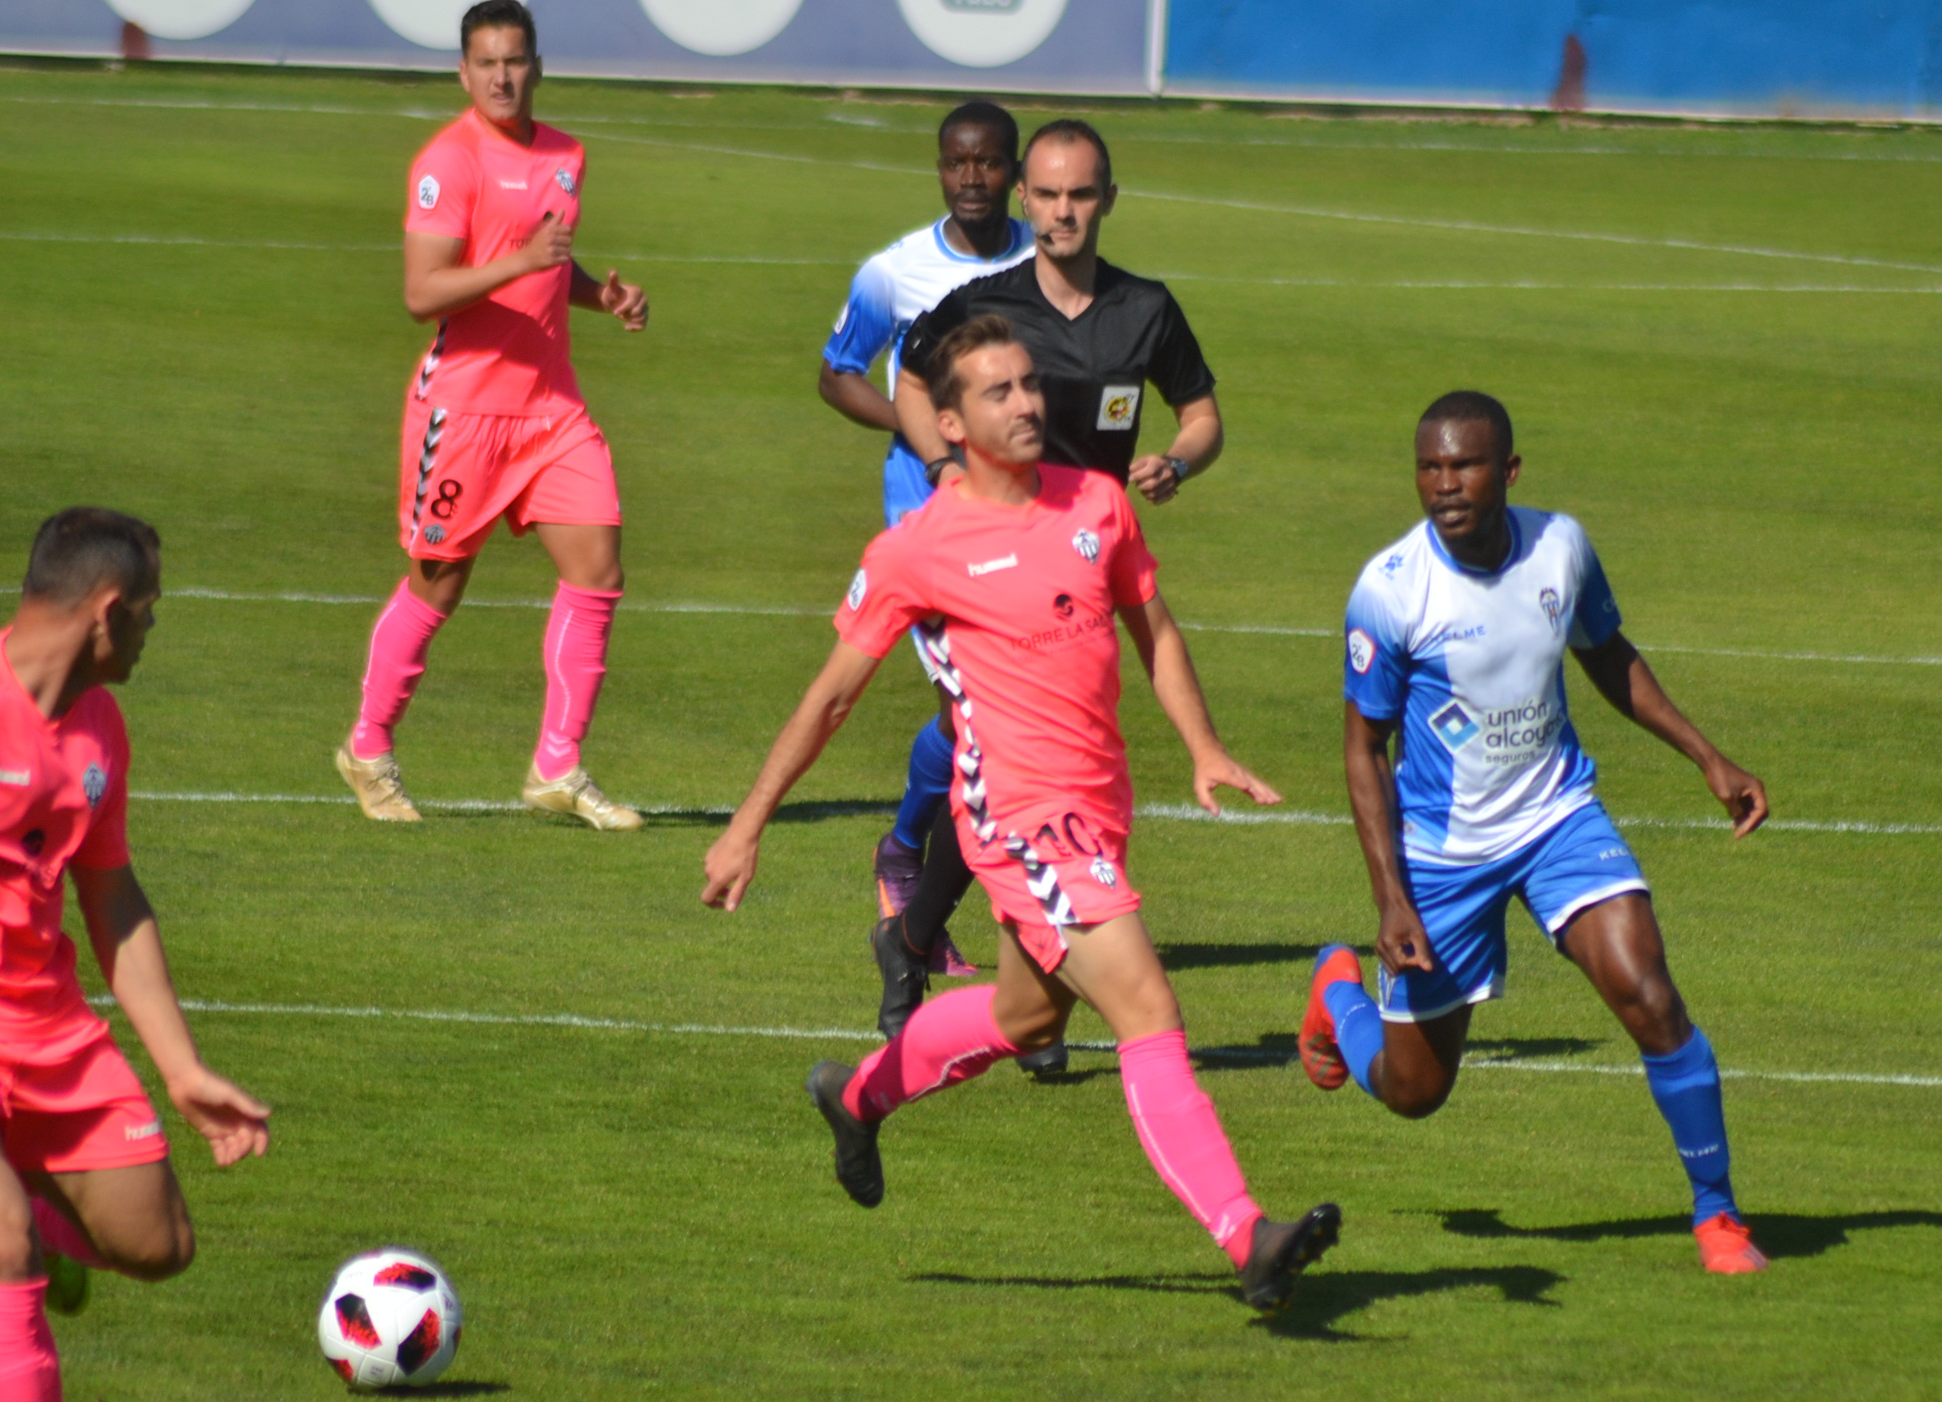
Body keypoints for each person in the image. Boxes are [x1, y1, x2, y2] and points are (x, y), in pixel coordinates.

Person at [702, 318, 1338, 1313]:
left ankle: (857, 1096)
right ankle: (1245, 1236)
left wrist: (1204, 746)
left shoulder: (1097, 502)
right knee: (1146, 1009)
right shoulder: (916, 551)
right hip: (1019, 820)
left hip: (1098, 807)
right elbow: (829, 699)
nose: (1028, 402)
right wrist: (747, 825)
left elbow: (1154, 627)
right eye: (999, 392)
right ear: (950, 424)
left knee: (1025, 1015)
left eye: (1030, 384)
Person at [1300, 392, 1773, 1276]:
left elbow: (1607, 655)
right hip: (1444, 856)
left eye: (1464, 466)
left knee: (1650, 996)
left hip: (1557, 817)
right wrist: (1391, 900)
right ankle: (1338, 996)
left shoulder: (1561, 545)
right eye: (1429, 468)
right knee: (1414, 1092)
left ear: (1509, 471)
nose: (1444, 485)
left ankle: (1719, 1216)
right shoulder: (1391, 590)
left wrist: (1708, 757)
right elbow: (1363, 750)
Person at [881, 117, 1226, 1070]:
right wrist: (945, 466)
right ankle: (994, 977)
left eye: (1080, 194)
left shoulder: (1146, 310)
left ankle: (928, 944)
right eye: (1047, 194)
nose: (1063, 211)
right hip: (997, 567)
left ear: (1107, 199)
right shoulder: (983, 307)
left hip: (1093, 560)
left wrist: (1178, 461)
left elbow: (1203, 412)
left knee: (1059, 774)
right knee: (1004, 763)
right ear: (1024, 199)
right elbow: (909, 384)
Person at [0, 509, 271, 1402]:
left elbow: (112, 896)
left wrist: (180, 1068)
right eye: (147, 612)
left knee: (158, 1244)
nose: (150, 631)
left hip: (42, 1023)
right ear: (106, 613)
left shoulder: (99, 728)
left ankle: (40, 1225)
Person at [336, 0, 650, 831]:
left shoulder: (566, 155)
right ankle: (367, 748)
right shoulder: (449, 161)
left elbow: (551, 264)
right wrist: (521, 260)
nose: (502, 77)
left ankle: (558, 765)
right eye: (487, 64)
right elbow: (423, 292)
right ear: (463, 72)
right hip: (465, 413)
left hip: (551, 409)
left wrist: (599, 295)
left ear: (537, 66)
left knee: (598, 568)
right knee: (437, 586)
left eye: (515, 61)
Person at [818, 100, 1033, 985]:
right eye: (955, 162)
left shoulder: (1043, 261)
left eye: (988, 163)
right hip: (927, 510)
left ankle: (909, 853)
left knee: (981, 711)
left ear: (1015, 173)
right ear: (939, 168)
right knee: (975, 703)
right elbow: (836, 374)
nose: (971, 178)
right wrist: (921, 435)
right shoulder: (896, 271)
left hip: (1020, 510)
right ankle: (930, 883)